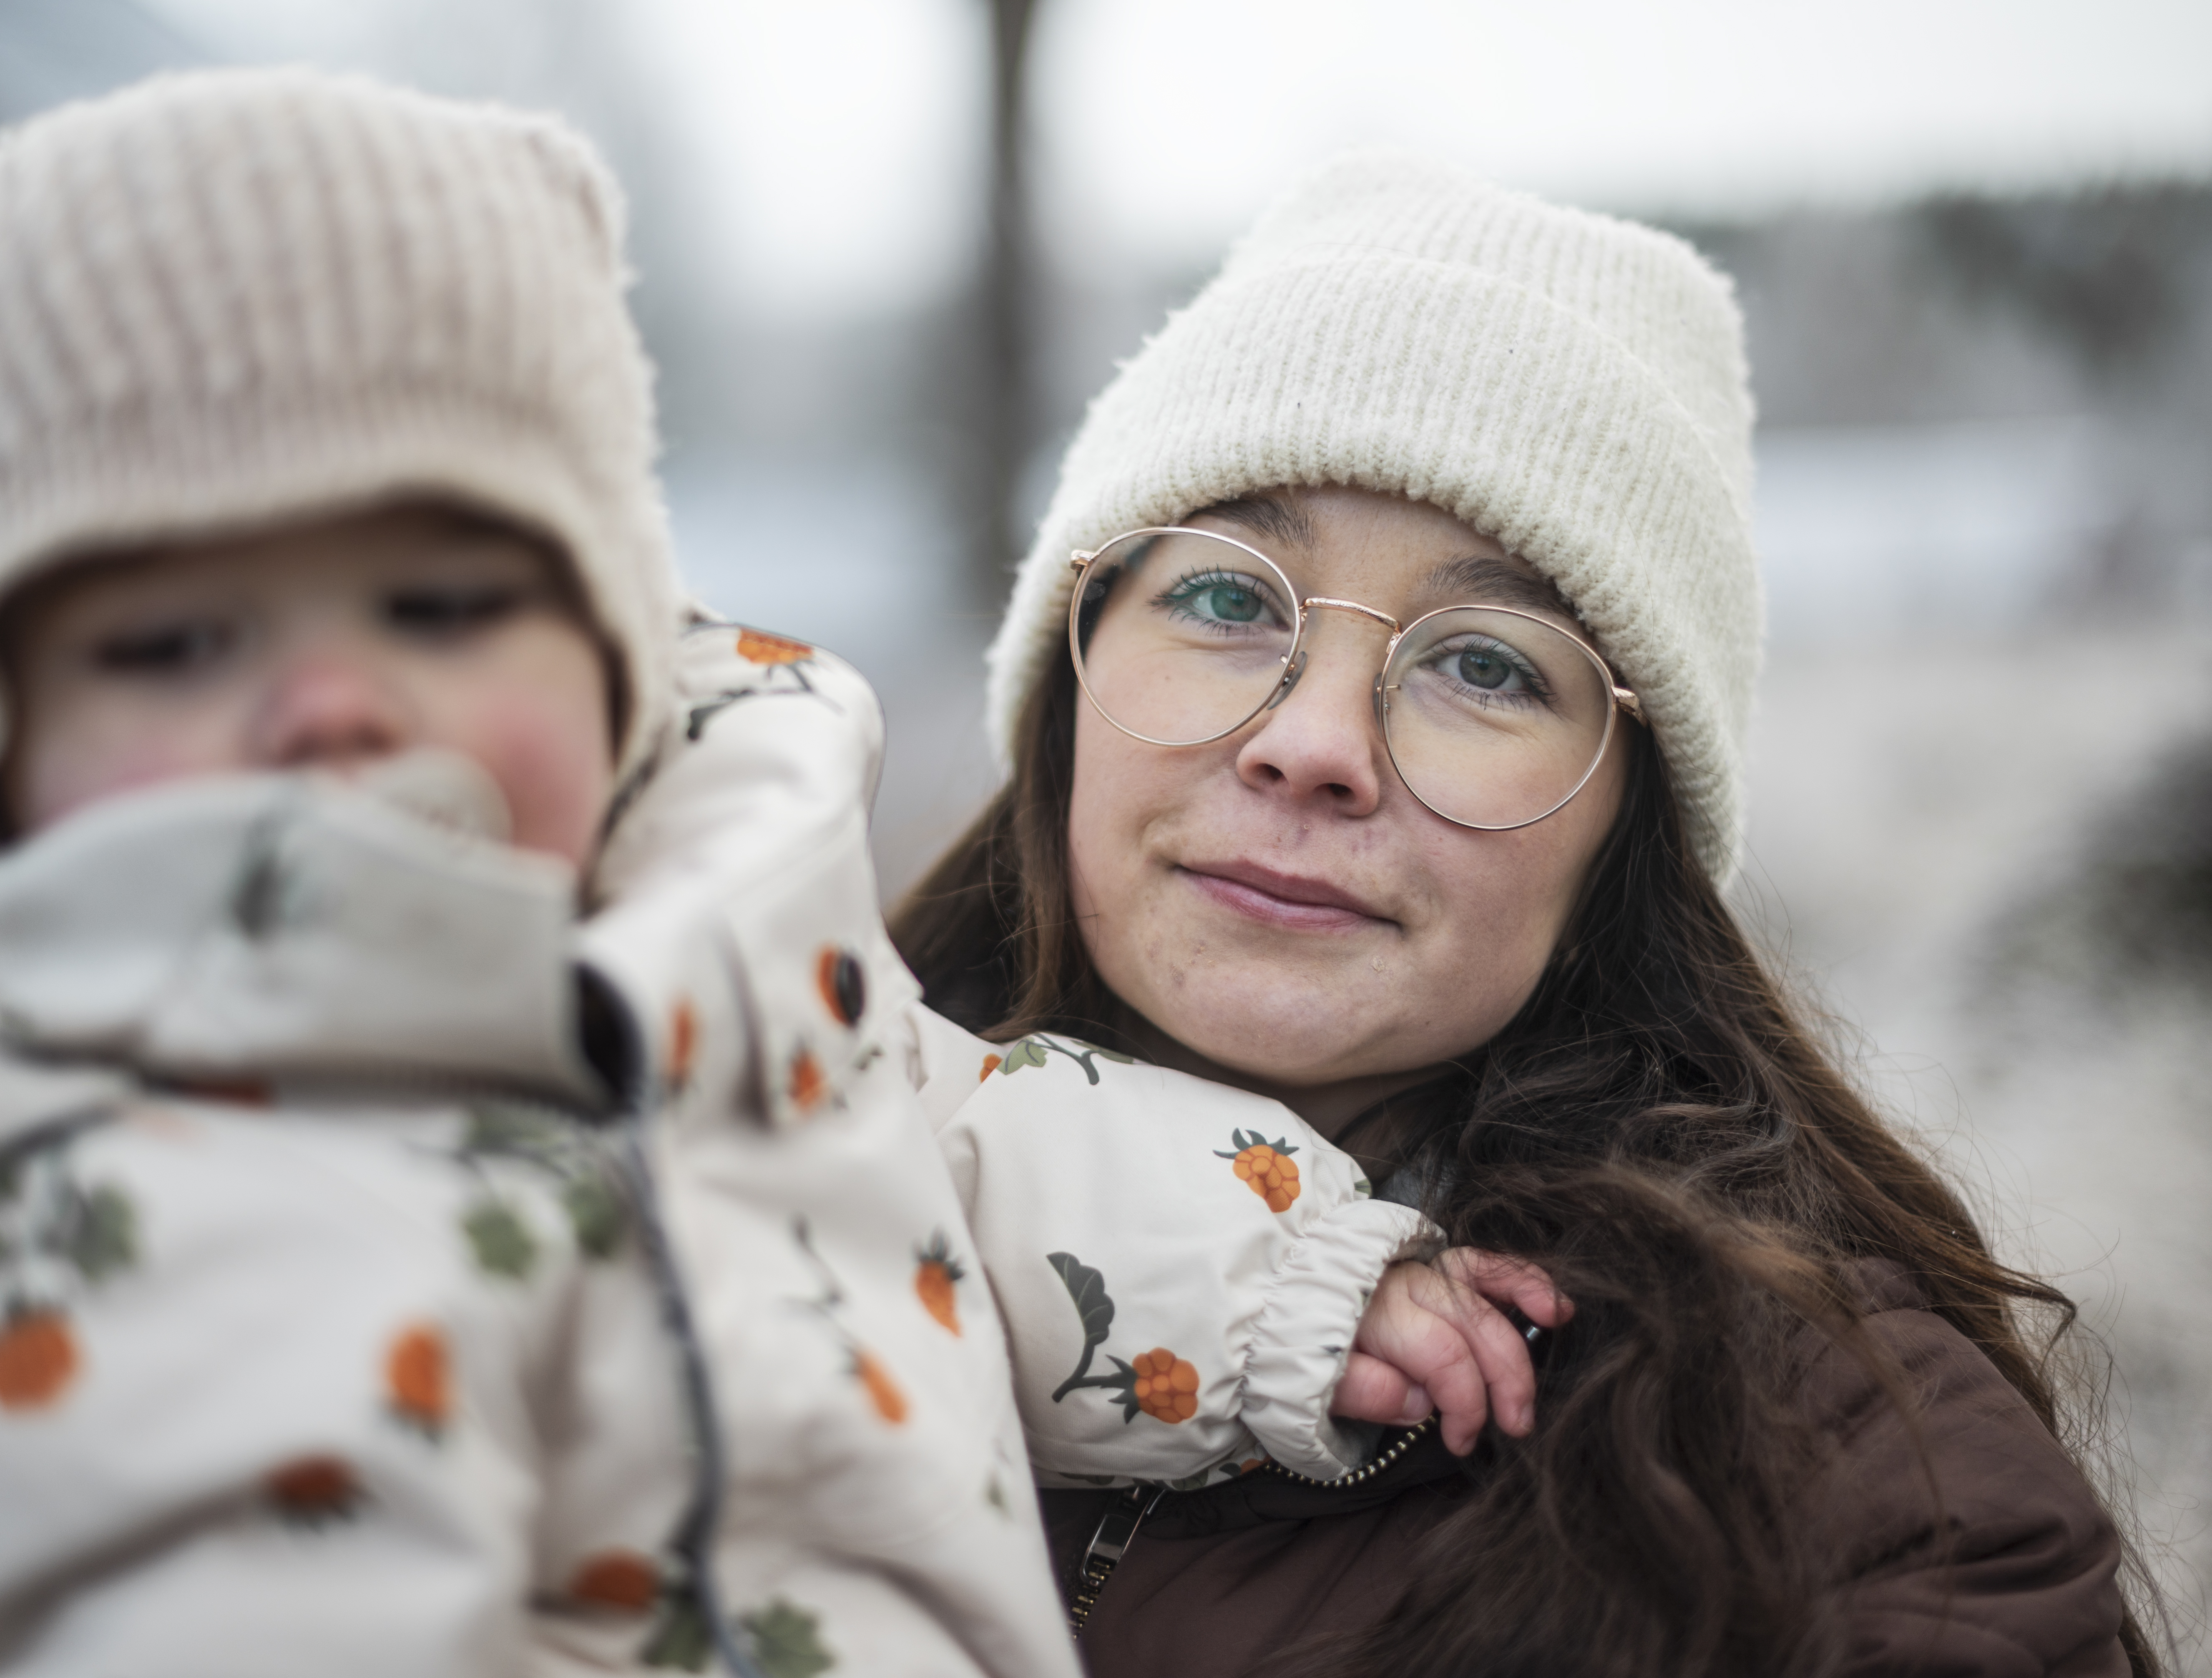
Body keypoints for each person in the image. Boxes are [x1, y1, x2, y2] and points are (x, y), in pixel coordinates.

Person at [0, 71, 1079, 1678]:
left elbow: (964, 1134)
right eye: (174, 642)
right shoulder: (46, 1209)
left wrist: (1296, 1287)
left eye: (439, 608)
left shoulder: (720, 911)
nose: (335, 701)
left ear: (615, 645)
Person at [893, 151, 2157, 1676]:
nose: (1316, 745)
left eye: (1485, 665)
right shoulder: (728, 1165)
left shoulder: (1847, 1492)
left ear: (1628, 832)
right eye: (1228, 600)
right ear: (1069, 677)